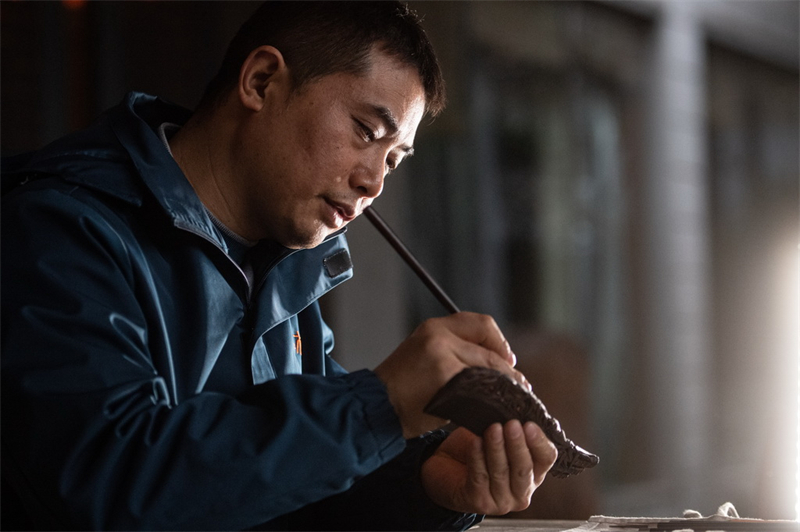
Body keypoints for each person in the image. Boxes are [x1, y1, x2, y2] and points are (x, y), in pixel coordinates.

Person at [1, 2, 557, 530]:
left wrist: (428, 481)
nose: (374, 183)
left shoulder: (285, 275)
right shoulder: (59, 233)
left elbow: (281, 490)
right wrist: (379, 407)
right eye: (365, 131)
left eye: (393, 158)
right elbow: (109, 485)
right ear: (262, 80)